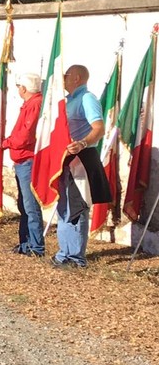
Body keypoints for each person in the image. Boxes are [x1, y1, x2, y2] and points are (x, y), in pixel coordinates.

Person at [55, 65, 110, 268]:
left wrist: (83, 143)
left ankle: (76, 258)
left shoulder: (87, 98)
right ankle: (64, 254)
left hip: (81, 158)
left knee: (77, 207)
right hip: (65, 158)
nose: (63, 78)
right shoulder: (66, 100)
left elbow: (99, 128)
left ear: (77, 78)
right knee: (64, 206)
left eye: (66, 75)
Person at [3, 73, 44, 256]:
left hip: (28, 160)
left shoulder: (35, 104)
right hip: (21, 160)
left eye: (19, 86)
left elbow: (25, 135)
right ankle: (25, 243)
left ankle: (36, 246)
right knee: (24, 205)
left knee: (30, 205)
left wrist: (7, 143)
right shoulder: (29, 104)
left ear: (24, 88)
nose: (18, 89)